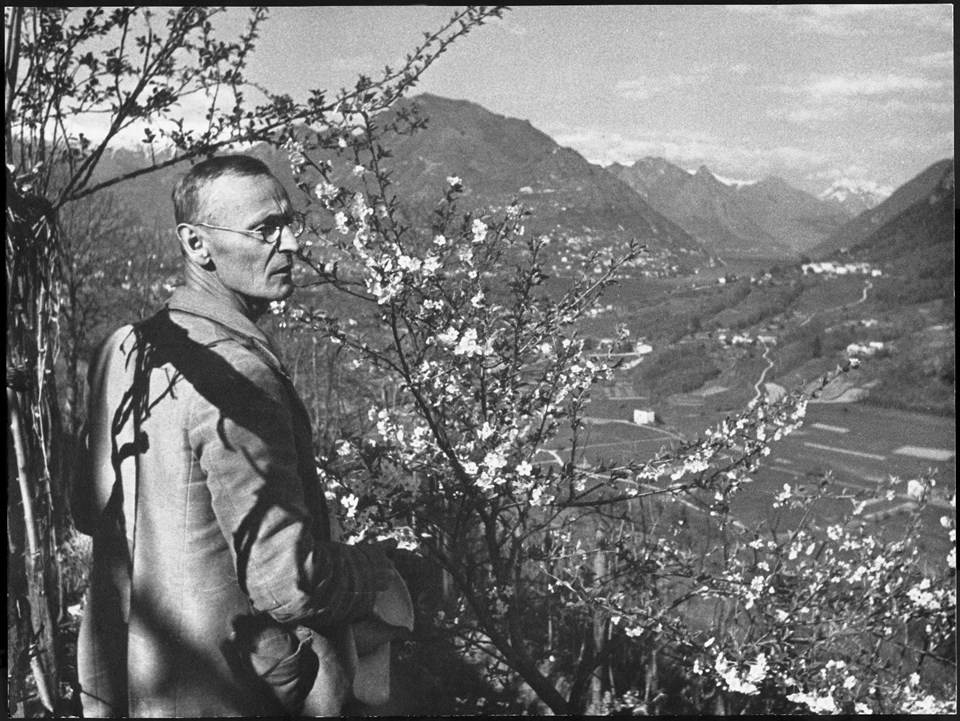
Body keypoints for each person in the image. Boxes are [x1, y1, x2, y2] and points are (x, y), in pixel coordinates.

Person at [74, 155, 408, 717]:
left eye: (288, 223)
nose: (292, 244)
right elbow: (287, 584)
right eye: (265, 229)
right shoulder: (242, 377)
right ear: (197, 244)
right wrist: (376, 573)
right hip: (223, 691)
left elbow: (88, 509)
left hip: (127, 683)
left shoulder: (122, 349)